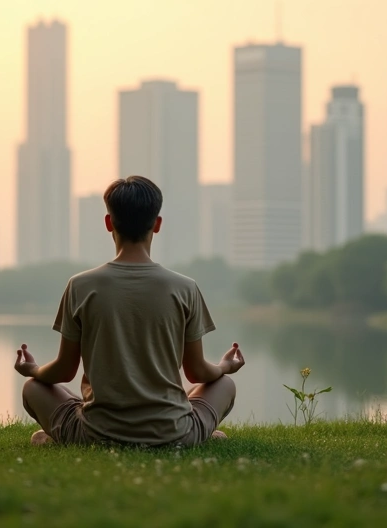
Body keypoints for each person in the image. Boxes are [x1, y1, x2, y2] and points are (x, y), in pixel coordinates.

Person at [13, 175, 245, 447]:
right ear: (157, 225)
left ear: (108, 222)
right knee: (225, 384)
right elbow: (197, 374)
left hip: (96, 433)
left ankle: (64, 436)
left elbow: (64, 372)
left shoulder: (80, 286)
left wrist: (34, 370)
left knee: (32, 388)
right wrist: (226, 366)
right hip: (173, 433)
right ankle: (197, 432)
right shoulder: (185, 288)